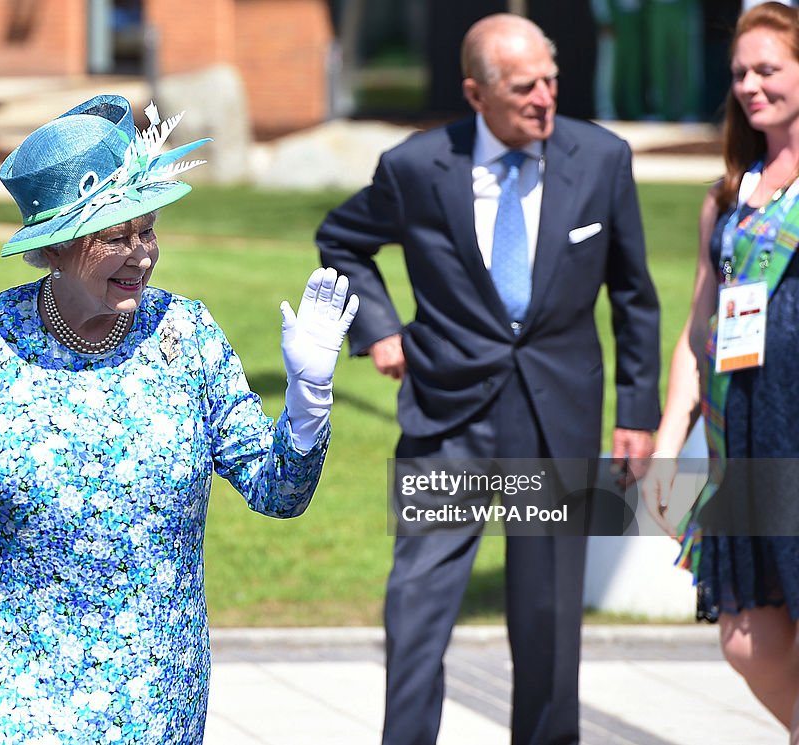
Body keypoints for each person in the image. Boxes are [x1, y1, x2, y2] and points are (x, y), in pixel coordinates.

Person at [0, 94, 358, 745]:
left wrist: (309, 398)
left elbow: (277, 491)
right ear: (54, 249)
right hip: (6, 688)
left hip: (156, 696)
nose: (142, 254)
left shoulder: (186, 334)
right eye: (116, 236)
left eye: (149, 229)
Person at [316, 13, 660, 745]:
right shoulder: (415, 167)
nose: (545, 99)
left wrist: (638, 409)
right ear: (476, 94)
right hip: (448, 419)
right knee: (417, 607)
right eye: (525, 87)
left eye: (552, 81)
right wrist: (377, 327)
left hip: (552, 418)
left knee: (546, 616)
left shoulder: (600, 159)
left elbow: (634, 295)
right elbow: (342, 241)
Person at [642, 3, 799, 739]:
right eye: (740, 72)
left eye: (768, 68)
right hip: (745, 446)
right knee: (747, 639)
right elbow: (699, 329)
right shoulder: (729, 196)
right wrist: (671, 435)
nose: (749, 85)